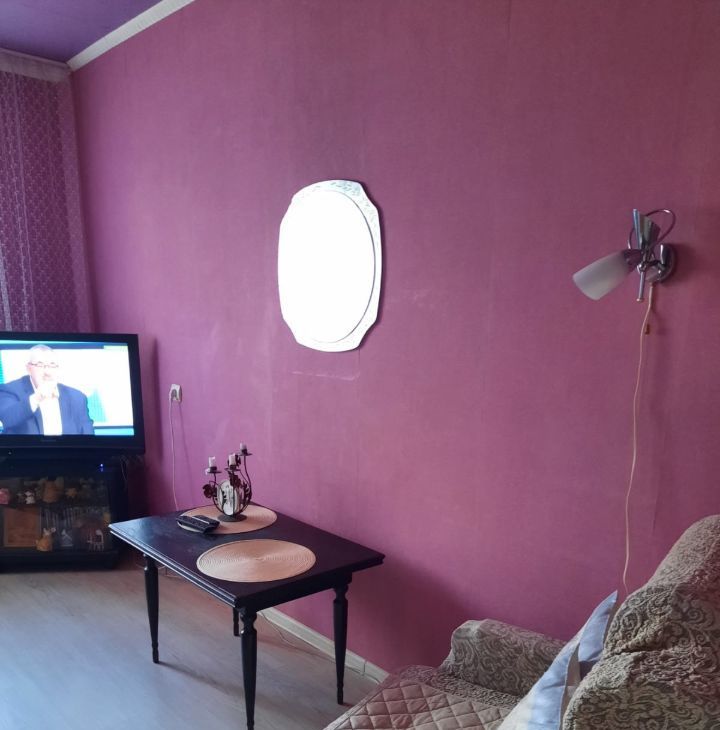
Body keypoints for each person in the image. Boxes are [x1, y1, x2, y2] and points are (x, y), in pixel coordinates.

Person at [0, 344, 94, 435]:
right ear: (28, 368)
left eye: (52, 365)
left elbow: (88, 436)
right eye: (40, 365)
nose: (47, 372)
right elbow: (7, 418)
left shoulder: (77, 397)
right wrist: (37, 397)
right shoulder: (10, 390)